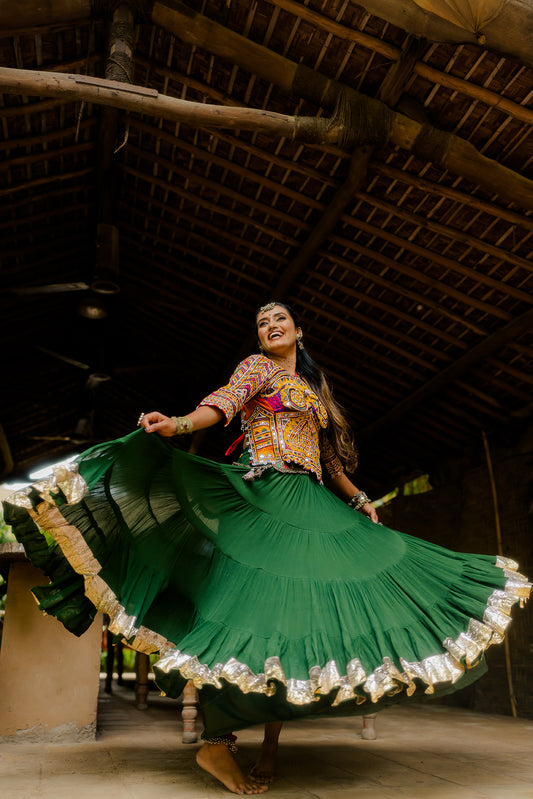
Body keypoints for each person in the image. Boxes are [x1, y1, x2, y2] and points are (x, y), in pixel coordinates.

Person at [3, 301, 531, 797]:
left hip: (310, 502)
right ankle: (216, 746)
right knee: (249, 614)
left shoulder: (314, 391)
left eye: (280, 319)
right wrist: (180, 424)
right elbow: (222, 405)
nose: (270, 325)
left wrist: (360, 499)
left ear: (300, 332)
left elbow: (329, 463)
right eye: (262, 322)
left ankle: (272, 747)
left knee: (303, 620)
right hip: (265, 498)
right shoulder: (256, 368)